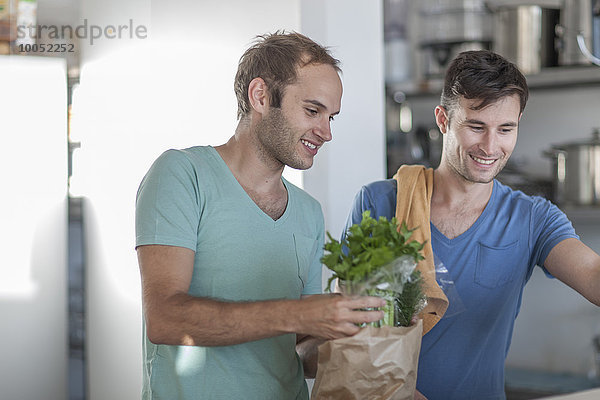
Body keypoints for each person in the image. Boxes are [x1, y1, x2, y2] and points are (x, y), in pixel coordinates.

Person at [135, 32, 386, 400]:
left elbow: (299, 349)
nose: (326, 132)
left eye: (331, 117)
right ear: (261, 96)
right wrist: (300, 315)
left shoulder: (308, 212)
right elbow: (166, 319)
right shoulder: (182, 174)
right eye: (313, 111)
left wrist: (365, 337)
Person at [345, 50, 600, 400]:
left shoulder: (532, 219)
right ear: (443, 120)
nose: (490, 146)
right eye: (476, 126)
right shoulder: (379, 203)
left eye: (506, 129)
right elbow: (350, 329)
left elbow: (593, 275)